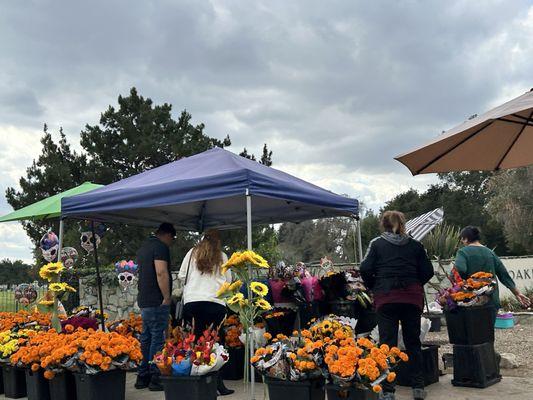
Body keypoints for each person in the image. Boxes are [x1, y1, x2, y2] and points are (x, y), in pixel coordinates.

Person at [360, 211, 434, 400]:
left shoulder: (376, 244)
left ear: (383, 224)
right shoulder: (416, 245)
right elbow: (428, 271)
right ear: (403, 224)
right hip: (411, 299)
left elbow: (365, 268)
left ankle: (388, 390)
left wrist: (374, 285)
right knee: (413, 342)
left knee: (387, 344)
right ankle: (418, 387)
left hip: (386, 298)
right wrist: (415, 283)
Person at [179, 229, 234, 396]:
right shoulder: (222, 256)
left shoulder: (191, 253)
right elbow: (229, 281)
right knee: (216, 343)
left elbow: (182, 276)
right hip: (214, 303)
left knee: (195, 342)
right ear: (218, 241)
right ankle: (217, 383)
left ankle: (197, 380)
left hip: (193, 302)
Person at [454, 226, 531, 322]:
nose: (462, 241)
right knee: (487, 332)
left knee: (473, 331)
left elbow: (460, 269)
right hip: (491, 300)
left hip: (471, 300)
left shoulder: (463, 252)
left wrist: (464, 281)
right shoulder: (490, 253)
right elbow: (504, 274)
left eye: (462, 238)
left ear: (466, 238)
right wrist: (517, 293)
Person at [135, 222, 176, 391]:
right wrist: (167, 297)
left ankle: (142, 376)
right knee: (157, 338)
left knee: (146, 338)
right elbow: (161, 272)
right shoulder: (160, 247)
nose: (171, 242)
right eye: (172, 239)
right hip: (157, 300)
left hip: (144, 300)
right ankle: (155, 377)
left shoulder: (144, 247)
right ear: (167, 235)